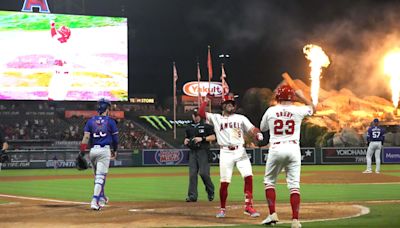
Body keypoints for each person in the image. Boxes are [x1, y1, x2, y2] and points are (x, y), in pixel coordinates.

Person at [199, 93, 264, 218]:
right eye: (227, 103)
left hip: (240, 151)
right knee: (225, 182)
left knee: (248, 176)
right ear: (223, 105)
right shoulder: (217, 118)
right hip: (225, 152)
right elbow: (201, 113)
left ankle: (248, 206)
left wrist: (257, 134)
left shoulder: (240, 118)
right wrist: (206, 101)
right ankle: (222, 209)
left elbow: (252, 128)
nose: (230, 105)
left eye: (232, 103)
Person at [260, 85, 315, 228]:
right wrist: (302, 96)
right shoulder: (298, 109)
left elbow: (262, 128)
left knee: (269, 182)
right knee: (294, 186)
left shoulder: (271, 110)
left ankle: (272, 214)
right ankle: (295, 220)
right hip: (293, 148)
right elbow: (314, 108)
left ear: (278, 97)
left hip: (276, 147)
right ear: (293, 97)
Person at [79, 98, 118, 210]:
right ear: (107, 109)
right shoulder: (110, 121)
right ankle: (94, 200)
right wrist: (115, 150)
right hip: (104, 151)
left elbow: (86, 137)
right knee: (100, 177)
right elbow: (115, 140)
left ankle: (102, 197)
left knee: (98, 177)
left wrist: (82, 152)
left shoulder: (90, 121)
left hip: (93, 151)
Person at [183, 108, 216, 202]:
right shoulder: (189, 126)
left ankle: (210, 191)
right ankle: (192, 196)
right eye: (194, 115)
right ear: (192, 116)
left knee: (203, 173)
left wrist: (202, 139)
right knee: (192, 174)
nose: (196, 117)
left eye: (197, 115)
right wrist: (186, 140)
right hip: (193, 152)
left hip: (203, 151)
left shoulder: (206, 125)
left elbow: (213, 137)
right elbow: (186, 137)